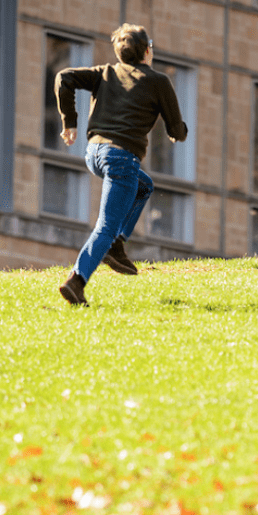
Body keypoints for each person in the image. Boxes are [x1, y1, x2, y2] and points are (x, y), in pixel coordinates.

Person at [55, 23, 188, 306]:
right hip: (121, 158)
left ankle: (116, 244)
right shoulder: (158, 81)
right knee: (105, 225)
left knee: (144, 186)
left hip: (94, 153)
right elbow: (176, 129)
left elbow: (64, 77)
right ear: (147, 51)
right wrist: (180, 132)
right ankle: (76, 281)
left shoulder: (105, 72)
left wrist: (70, 123)